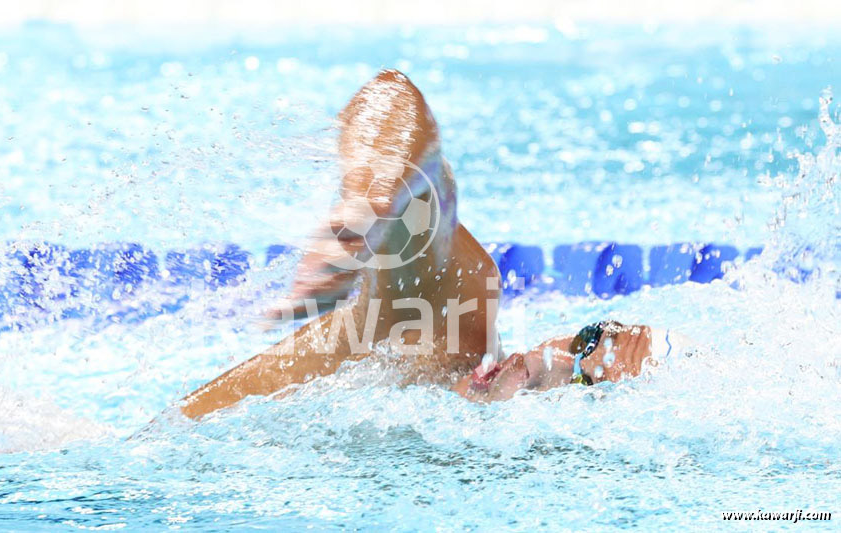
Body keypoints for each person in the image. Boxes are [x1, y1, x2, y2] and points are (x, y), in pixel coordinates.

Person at [178, 70, 681, 419]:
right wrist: (368, 203)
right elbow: (395, 99)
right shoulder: (456, 319)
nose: (550, 360)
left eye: (584, 381)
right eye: (585, 340)